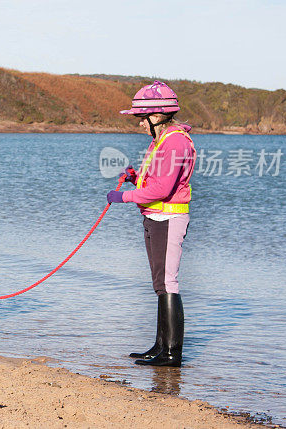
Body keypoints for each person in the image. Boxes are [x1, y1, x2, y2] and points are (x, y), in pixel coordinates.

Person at [106, 80, 196, 367]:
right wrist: (135, 177)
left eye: (140, 118)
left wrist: (125, 196)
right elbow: (156, 181)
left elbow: (162, 189)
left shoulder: (176, 142)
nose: (139, 124)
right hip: (155, 218)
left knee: (168, 282)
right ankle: (160, 346)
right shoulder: (161, 141)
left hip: (168, 218)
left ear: (156, 116)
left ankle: (172, 353)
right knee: (160, 284)